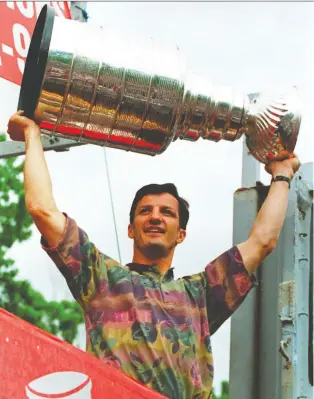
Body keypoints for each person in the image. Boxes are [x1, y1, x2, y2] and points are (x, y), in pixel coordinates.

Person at [7, 111, 301, 399]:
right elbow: (43, 210)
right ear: (131, 229)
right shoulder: (101, 278)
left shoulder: (199, 295)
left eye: (167, 213)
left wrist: (283, 175)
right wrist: (32, 136)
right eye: (145, 211)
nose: (155, 217)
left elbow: (262, 241)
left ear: (181, 234)